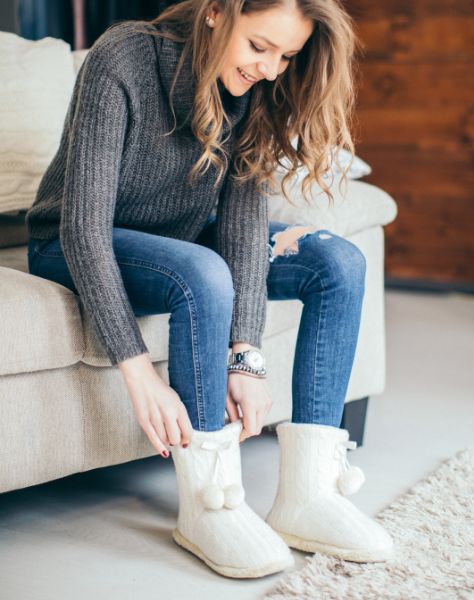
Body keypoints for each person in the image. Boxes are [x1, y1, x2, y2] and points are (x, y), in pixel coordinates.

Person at [25, 0, 394, 579]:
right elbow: (81, 226)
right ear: (218, 12)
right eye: (260, 47)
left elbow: (243, 224)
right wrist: (138, 370)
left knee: (337, 262)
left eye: (287, 56)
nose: (271, 69)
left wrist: (245, 354)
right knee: (202, 270)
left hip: (184, 241)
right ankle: (209, 504)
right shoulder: (125, 55)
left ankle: (310, 494)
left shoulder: (257, 88)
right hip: (72, 243)